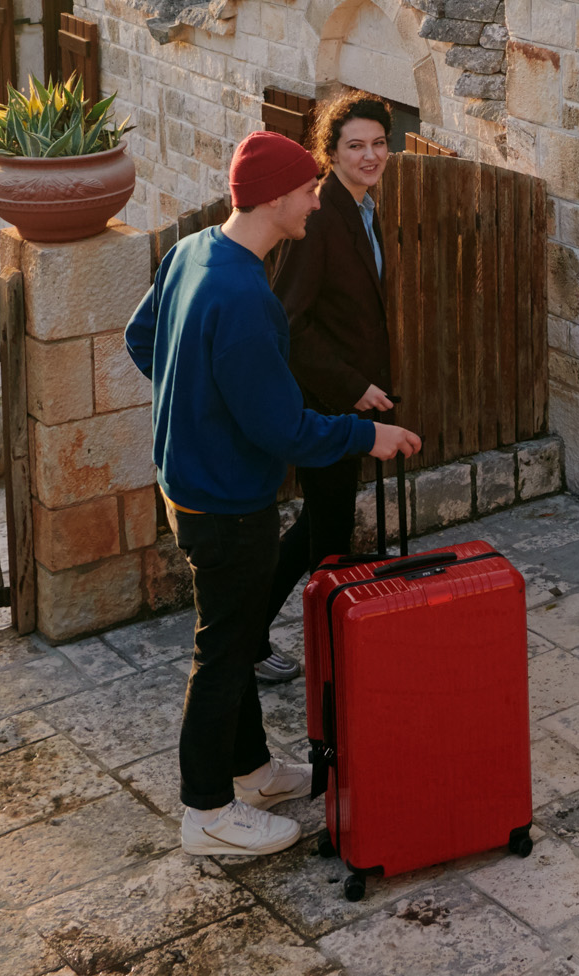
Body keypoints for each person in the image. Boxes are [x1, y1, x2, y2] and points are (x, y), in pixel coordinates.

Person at [126, 127, 423, 858]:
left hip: (190, 485)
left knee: (229, 634)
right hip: (225, 503)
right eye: (307, 193)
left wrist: (190, 410)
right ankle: (207, 811)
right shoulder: (245, 294)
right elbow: (285, 428)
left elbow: (144, 339)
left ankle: (251, 771)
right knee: (223, 653)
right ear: (273, 198)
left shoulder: (194, 250)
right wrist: (367, 437)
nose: (316, 205)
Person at [247, 93, 399, 685]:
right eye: (355, 146)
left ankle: (254, 633)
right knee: (329, 540)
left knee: (321, 524)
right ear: (330, 153)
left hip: (354, 399)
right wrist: (352, 385)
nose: (370, 156)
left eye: (379, 144)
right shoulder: (321, 215)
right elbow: (290, 320)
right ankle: (334, 666)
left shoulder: (363, 205)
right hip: (326, 404)